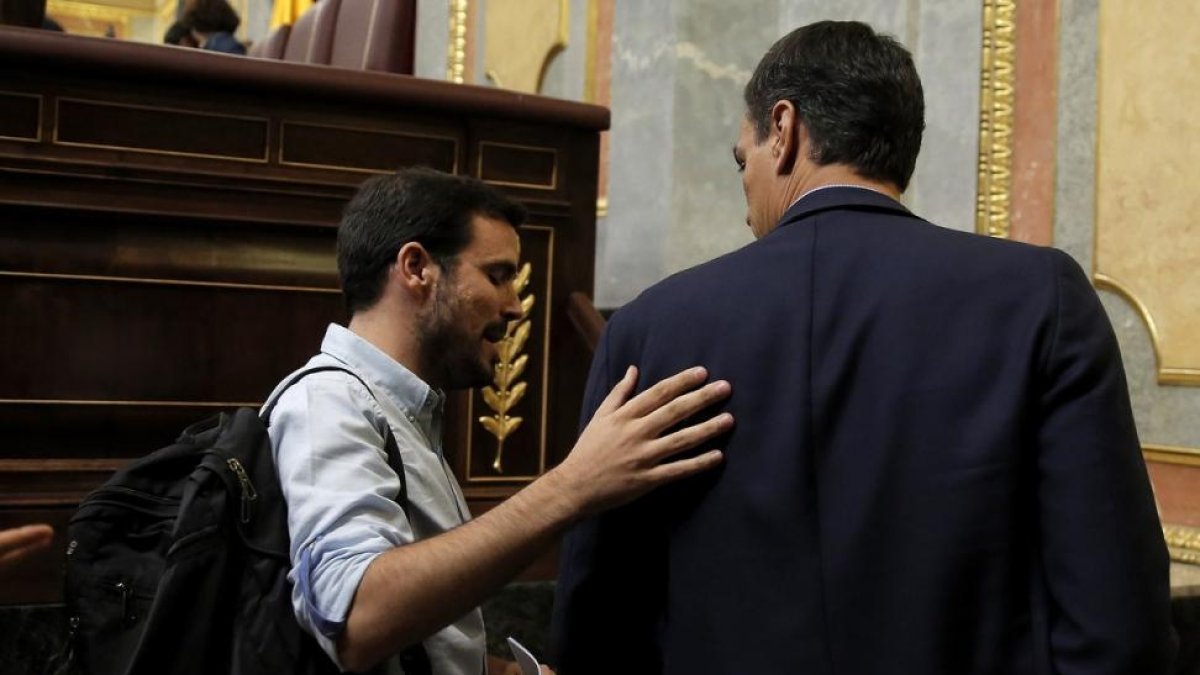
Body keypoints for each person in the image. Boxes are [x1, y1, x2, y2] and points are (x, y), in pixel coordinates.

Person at [550, 20, 1177, 675]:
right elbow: (1119, 624)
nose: (745, 200)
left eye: (744, 161)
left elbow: (597, 632)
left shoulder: (650, 328)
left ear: (784, 129)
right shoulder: (1040, 298)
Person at [266, 167, 734, 675]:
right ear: (417, 267)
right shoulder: (327, 402)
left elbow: (411, 640)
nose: (514, 306)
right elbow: (355, 621)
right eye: (498, 275)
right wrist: (574, 486)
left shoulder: (398, 410)